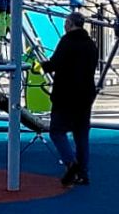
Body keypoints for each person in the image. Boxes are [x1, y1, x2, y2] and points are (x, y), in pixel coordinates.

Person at [43, 12, 100, 186]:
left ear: (70, 23)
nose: (64, 26)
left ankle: (71, 163)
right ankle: (83, 173)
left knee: (57, 131)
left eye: (65, 23)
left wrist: (41, 66)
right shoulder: (91, 44)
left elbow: (54, 64)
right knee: (81, 134)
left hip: (65, 95)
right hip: (85, 95)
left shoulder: (67, 42)